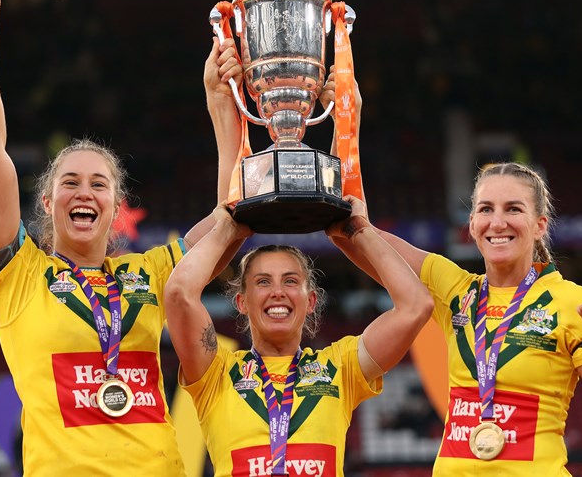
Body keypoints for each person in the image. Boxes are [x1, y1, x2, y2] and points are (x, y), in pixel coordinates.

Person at [0, 0, 243, 475]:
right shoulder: (17, 276)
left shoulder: (152, 274)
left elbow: (231, 217)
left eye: (99, 185)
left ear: (117, 209)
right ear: (47, 201)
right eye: (70, 182)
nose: (84, 193)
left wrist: (219, 105)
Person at [332, 161, 582, 474]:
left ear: (540, 224)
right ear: (472, 224)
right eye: (486, 209)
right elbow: (353, 231)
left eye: (513, 209)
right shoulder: (455, 289)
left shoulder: (573, 303)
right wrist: (348, 119)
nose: (497, 222)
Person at [163, 197, 433, 476]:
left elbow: (416, 306)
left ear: (311, 301)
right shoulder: (216, 373)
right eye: (263, 281)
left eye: (290, 281)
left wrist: (358, 231)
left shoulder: (340, 368)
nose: (278, 291)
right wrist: (228, 228)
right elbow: (178, 294)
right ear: (242, 302)